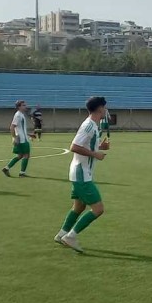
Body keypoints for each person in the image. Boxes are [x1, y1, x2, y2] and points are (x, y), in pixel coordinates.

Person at [54, 96, 110, 253]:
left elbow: (86, 144)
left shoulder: (92, 125)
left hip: (80, 172)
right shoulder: (89, 126)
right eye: (105, 107)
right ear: (100, 108)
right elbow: (74, 146)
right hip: (82, 174)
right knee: (98, 209)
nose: (106, 110)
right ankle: (71, 236)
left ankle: (62, 234)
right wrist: (95, 154)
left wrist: (100, 147)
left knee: (79, 206)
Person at [1, 100, 33, 177]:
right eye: (23, 105)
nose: (25, 106)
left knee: (20, 155)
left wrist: (29, 134)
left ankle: (6, 168)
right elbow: (12, 127)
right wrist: (14, 137)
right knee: (26, 155)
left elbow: (20, 128)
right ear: (19, 107)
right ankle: (22, 173)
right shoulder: (18, 115)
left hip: (23, 138)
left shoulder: (21, 115)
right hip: (22, 140)